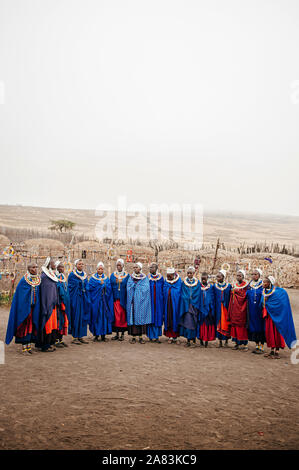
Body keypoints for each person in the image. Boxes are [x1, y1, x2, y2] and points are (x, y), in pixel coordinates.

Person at [5, 263, 41, 355]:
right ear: (28, 269)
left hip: (34, 309)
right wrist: (25, 305)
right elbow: (21, 296)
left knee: (32, 327)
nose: (35, 269)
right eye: (33, 267)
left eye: (36, 267)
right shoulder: (23, 281)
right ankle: (24, 348)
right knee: (25, 327)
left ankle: (29, 346)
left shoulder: (37, 280)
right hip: (25, 309)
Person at [261, 276, 297, 359]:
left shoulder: (279, 292)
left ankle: (277, 351)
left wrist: (269, 304)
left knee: (277, 332)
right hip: (269, 316)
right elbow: (262, 303)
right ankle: (272, 350)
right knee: (270, 332)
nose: (263, 284)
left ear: (270, 283)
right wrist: (264, 302)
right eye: (263, 282)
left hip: (278, 317)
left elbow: (283, 304)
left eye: (265, 282)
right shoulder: (264, 291)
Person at [38, 257, 59, 352]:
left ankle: (50, 343)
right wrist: (45, 306)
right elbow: (44, 294)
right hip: (47, 306)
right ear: (49, 265)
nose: (55, 265)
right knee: (47, 326)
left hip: (52, 306)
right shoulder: (44, 277)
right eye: (53, 263)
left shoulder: (50, 276)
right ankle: (44, 345)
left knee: (52, 326)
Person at [88, 262, 114, 342]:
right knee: (95, 317)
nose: (100, 270)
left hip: (104, 303)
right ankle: (96, 335)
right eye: (99, 269)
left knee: (104, 318)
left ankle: (103, 335)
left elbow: (109, 289)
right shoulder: (92, 279)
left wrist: (104, 285)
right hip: (96, 302)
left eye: (102, 269)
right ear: (96, 269)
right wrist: (99, 285)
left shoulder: (106, 279)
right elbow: (90, 288)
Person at [126, 262, 151, 344]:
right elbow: (128, 287)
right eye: (134, 267)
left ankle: (140, 337)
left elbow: (146, 289)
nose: (135, 268)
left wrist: (137, 288)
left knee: (140, 318)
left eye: (136, 267)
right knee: (133, 318)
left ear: (140, 268)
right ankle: (133, 337)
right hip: (133, 302)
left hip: (141, 303)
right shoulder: (131, 277)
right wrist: (133, 287)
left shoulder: (144, 278)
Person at [68, 259, 90, 344]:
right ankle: (74, 337)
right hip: (76, 299)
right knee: (76, 316)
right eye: (79, 264)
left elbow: (87, 285)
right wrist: (78, 284)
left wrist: (85, 290)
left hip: (83, 298)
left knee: (82, 316)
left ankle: (81, 336)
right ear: (76, 265)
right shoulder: (72, 275)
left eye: (82, 264)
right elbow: (71, 286)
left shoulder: (84, 275)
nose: (81, 265)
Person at [179, 266, 200, 347]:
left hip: (194, 306)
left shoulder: (197, 283)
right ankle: (188, 340)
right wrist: (186, 298)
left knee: (194, 323)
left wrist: (193, 300)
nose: (189, 274)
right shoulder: (184, 283)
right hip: (186, 306)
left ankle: (194, 340)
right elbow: (183, 293)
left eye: (191, 273)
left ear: (194, 273)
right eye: (188, 273)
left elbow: (198, 293)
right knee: (187, 323)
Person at [228, 269, 249, 350]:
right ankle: (236, 342)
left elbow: (244, 295)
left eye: (240, 276)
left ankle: (244, 344)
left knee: (242, 325)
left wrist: (236, 292)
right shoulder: (235, 284)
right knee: (235, 325)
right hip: (234, 308)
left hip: (242, 308)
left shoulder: (245, 286)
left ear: (243, 277)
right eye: (237, 275)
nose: (238, 277)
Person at [110, 259, 129, 341]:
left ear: (123, 266)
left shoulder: (127, 275)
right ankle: (117, 334)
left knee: (122, 317)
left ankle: (122, 334)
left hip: (123, 300)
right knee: (116, 317)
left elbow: (128, 286)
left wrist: (122, 282)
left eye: (120, 265)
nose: (119, 267)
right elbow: (110, 285)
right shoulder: (113, 275)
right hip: (115, 299)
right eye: (117, 265)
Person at [247, 268, 265, 354]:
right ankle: (257, 345)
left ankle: (262, 346)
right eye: (252, 274)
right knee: (253, 326)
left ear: (259, 275)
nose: (254, 276)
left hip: (260, 309)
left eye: (255, 274)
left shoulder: (263, 284)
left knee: (260, 326)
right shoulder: (250, 284)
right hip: (252, 309)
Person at [163, 268, 182, 344]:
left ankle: (176, 337)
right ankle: (170, 336)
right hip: (168, 304)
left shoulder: (178, 281)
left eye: (170, 275)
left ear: (173, 274)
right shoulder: (166, 281)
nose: (169, 277)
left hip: (176, 304)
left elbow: (179, 291)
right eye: (168, 275)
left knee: (175, 319)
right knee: (169, 319)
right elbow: (164, 289)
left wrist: (172, 292)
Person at [147, 262, 164, 343]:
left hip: (158, 302)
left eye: (152, 267)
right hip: (150, 301)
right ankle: (150, 336)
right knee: (150, 317)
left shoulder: (160, 278)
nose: (150, 269)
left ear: (156, 269)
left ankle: (157, 336)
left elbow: (163, 289)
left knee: (157, 317)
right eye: (150, 267)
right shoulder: (147, 277)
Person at [214, 269, 231, 347]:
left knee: (226, 323)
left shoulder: (228, 286)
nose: (217, 278)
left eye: (219, 277)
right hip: (218, 308)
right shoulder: (215, 286)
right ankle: (220, 341)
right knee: (219, 323)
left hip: (225, 308)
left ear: (223, 277)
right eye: (217, 277)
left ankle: (226, 341)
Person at [55, 261, 70, 348]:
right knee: (58, 321)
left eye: (62, 267)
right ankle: (56, 340)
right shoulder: (55, 277)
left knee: (63, 321)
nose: (62, 269)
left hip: (64, 304)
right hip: (59, 304)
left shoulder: (63, 277)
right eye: (60, 267)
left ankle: (60, 339)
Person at [198, 272, 216, 347]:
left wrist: (210, 306)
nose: (203, 281)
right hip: (201, 309)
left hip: (208, 309)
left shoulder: (210, 287)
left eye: (205, 279)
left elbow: (212, 297)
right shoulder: (199, 286)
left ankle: (206, 341)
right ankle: (201, 339)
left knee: (208, 325)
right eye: (202, 279)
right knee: (201, 324)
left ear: (207, 279)